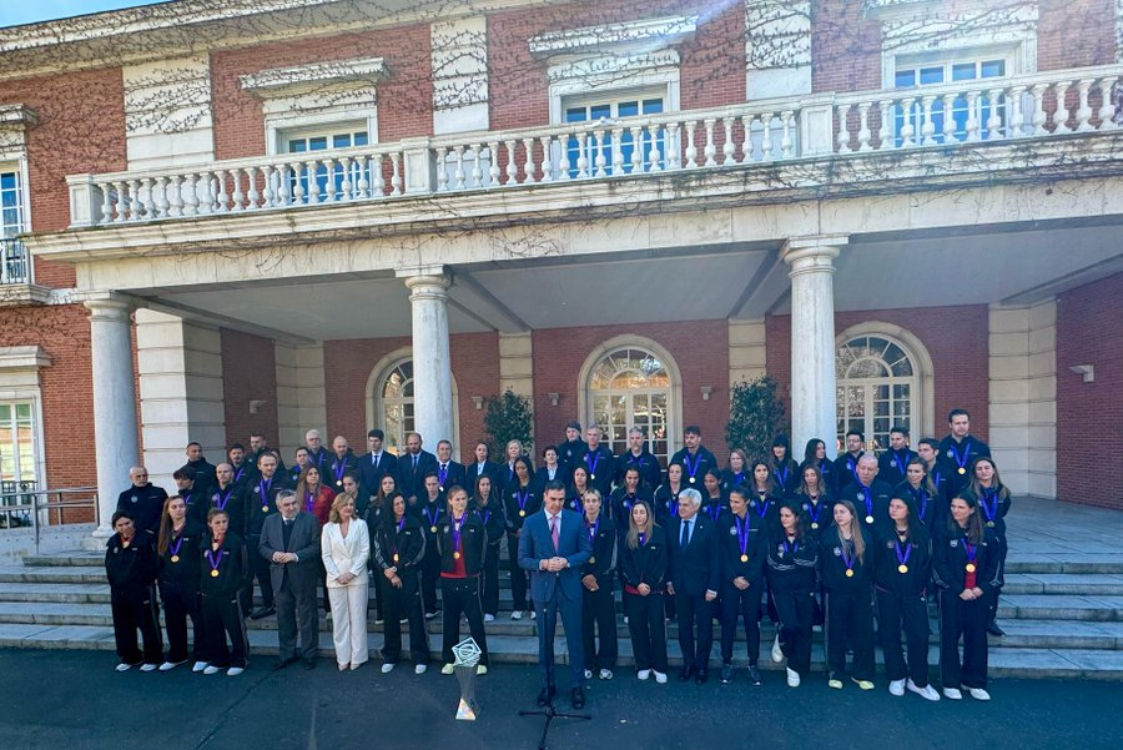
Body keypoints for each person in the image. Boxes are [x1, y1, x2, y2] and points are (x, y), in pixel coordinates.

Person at [518, 480, 592, 709]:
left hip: (569, 587)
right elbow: (522, 558)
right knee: (545, 639)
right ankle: (547, 684)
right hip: (543, 588)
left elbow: (586, 551)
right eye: (553, 499)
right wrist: (543, 564)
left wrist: (568, 561)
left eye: (561, 499)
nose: (557, 504)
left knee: (575, 638)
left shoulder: (575, 519)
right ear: (544, 496)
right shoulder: (531, 522)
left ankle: (577, 685)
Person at [933, 493, 1000, 701]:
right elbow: (938, 564)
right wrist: (958, 589)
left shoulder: (987, 535)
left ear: (972, 510)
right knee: (950, 637)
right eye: (953, 506)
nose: (955, 510)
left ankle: (974, 681)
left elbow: (995, 566)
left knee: (977, 638)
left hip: (979, 595)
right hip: (952, 594)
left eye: (961, 507)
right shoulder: (943, 531)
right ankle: (950, 682)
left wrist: (981, 588)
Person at [876, 495, 938, 700]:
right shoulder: (881, 531)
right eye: (891, 506)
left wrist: (924, 586)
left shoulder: (922, 533)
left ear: (909, 509)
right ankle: (897, 675)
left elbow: (928, 562)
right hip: (887, 591)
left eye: (898, 506)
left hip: (914, 593)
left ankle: (919, 680)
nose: (893, 510)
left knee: (920, 635)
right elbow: (874, 560)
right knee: (890, 634)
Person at [260, 489, 322, 670]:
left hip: (303, 575)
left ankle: (309, 655)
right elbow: (262, 546)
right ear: (279, 506)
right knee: (284, 617)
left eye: (294, 503)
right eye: (286, 504)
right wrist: (273, 555)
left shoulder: (310, 520)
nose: (291, 507)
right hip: (280, 576)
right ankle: (287, 654)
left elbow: (317, 546)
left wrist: (296, 556)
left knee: (307, 617)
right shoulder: (269, 521)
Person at [820, 499, 876, 690]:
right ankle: (836, 671)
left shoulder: (865, 537)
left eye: (842, 512)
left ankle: (862, 673)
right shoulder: (828, 537)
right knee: (835, 632)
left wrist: (865, 584)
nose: (838, 515)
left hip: (861, 593)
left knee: (863, 632)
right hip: (836, 593)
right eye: (836, 512)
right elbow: (822, 565)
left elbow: (871, 565)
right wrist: (830, 584)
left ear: (852, 514)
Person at [666, 487, 720, 685]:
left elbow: (715, 559)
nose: (681, 508)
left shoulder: (709, 526)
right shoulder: (672, 524)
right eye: (680, 504)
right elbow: (669, 556)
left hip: (703, 587)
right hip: (680, 585)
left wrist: (713, 587)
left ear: (696, 506)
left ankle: (702, 666)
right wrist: (669, 580)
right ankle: (688, 663)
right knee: (684, 627)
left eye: (686, 505)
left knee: (704, 627)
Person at [372, 492, 429, 674]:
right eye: (396, 504)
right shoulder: (382, 527)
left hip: (409, 574)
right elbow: (378, 551)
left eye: (402, 503)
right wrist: (388, 571)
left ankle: (420, 656)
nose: (400, 506)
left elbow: (418, 550)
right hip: (388, 577)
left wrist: (399, 568)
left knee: (415, 616)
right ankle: (391, 655)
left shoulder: (414, 524)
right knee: (390, 616)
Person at [438, 486, 490, 677]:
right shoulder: (443, 523)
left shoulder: (475, 522)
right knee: (450, 621)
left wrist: (476, 567)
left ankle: (482, 660)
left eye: (463, 499)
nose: (461, 502)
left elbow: (482, 547)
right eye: (457, 499)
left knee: (475, 621)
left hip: (469, 577)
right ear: (450, 501)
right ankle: (449, 659)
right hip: (449, 577)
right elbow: (440, 548)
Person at [718, 487, 767, 686]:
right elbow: (721, 552)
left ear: (747, 501)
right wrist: (733, 577)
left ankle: (753, 663)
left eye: (737, 501)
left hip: (751, 581)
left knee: (751, 622)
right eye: (731, 501)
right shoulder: (724, 522)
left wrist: (748, 577)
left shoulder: (759, 523)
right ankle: (726, 661)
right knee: (728, 621)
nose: (732, 505)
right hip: (730, 581)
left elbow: (761, 553)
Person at [766, 500, 818, 688]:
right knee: (790, 624)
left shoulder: (808, 536)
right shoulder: (774, 535)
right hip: (781, 588)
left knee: (804, 628)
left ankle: (794, 667)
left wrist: (789, 558)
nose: (783, 519)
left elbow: (811, 561)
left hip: (804, 588)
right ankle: (781, 639)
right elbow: (773, 562)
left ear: (797, 517)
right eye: (781, 515)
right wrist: (796, 561)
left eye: (787, 516)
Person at [105, 510, 162, 672]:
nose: (125, 527)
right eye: (120, 525)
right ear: (115, 527)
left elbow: (154, 564)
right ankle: (130, 657)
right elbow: (109, 566)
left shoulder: (146, 539)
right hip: (119, 592)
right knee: (123, 625)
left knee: (148, 624)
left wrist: (144, 581)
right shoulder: (113, 542)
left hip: (141, 590)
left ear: (133, 522)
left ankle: (153, 657)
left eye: (127, 523)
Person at [620, 500, 669, 683]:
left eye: (642, 512)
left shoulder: (659, 533)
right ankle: (643, 665)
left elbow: (662, 562)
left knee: (657, 628)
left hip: (654, 591)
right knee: (637, 627)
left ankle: (659, 666)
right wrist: (637, 583)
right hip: (634, 591)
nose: (639, 516)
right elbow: (624, 564)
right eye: (635, 513)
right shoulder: (627, 536)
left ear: (648, 514)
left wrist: (649, 583)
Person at [156, 496, 206, 672]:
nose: (179, 510)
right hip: (170, 584)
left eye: (181, 506)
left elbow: (202, 558)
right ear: (168, 510)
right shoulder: (163, 531)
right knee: (173, 621)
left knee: (199, 621)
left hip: (191, 583)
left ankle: (202, 655)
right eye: (174, 507)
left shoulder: (196, 528)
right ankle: (178, 655)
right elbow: (159, 559)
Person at [321, 492, 370, 671]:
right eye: (345, 505)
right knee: (340, 619)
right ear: (337, 507)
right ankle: (342, 656)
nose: (348, 508)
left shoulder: (361, 524)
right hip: (335, 579)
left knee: (357, 618)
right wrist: (337, 575)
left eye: (351, 504)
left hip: (357, 577)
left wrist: (352, 572)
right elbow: (326, 554)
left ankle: (358, 656)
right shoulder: (328, 528)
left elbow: (365, 551)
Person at [964, 457, 1012, 636]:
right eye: (979, 469)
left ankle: (990, 619)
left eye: (987, 468)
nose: (983, 471)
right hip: (975, 540)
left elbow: (1003, 512)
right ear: (974, 472)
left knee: (994, 579)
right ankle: (972, 618)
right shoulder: (968, 492)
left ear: (993, 470)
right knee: (974, 579)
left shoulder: (1003, 492)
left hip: (996, 541)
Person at [199, 508, 249, 676]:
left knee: (235, 628)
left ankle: (240, 660)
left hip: (229, 593)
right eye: (217, 522)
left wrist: (236, 588)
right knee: (213, 628)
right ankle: (218, 660)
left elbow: (244, 569)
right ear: (209, 524)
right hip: (209, 592)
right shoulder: (204, 543)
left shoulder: (236, 542)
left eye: (224, 522)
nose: (222, 525)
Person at [579, 489, 618, 681]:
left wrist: (596, 577)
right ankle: (587, 662)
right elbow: (573, 551)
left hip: (603, 581)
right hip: (582, 582)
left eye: (594, 500)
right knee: (584, 624)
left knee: (606, 623)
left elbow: (611, 556)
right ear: (583, 503)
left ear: (600, 503)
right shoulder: (576, 524)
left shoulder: (609, 525)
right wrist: (584, 575)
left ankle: (606, 663)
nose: (591, 504)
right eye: (588, 500)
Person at [246, 452, 288, 620]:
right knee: (262, 572)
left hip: (277, 533)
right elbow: (246, 508)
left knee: (281, 570)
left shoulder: (284, 482)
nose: (270, 467)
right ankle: (268, 604)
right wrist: (247, 530)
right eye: (266, 465)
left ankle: (283, 603)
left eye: (272, 464)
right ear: (259, 466)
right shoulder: (252, 484)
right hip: (256, 533)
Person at [504, 456, 540, 620]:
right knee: (516, 571)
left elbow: (540, 510)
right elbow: (506, 513)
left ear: (529, 468)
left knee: (534, 570)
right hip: (515, 535)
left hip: (533, 535)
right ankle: (518, 606)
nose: (521, 471)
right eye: (517, 468)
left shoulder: (538, 486)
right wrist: (514, 528)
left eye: (523, 468)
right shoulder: (509, 488)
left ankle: (534, 605)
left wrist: (528, 530)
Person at [471, 474, 505, 622]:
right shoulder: (471, 505)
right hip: (474, 548)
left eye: (487, 485)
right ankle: (475, 608)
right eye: (482, 485)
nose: (485, 488)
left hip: (491, 547)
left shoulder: (496, 505)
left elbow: (500, 526)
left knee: (491, 578)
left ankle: (490, 609)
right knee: (474, 579)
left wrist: (488, 538)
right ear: (477, 487)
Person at [937, 409, 992, 498]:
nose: (961, 426)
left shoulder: (980, 447)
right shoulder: (941, 447)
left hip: (974, 493)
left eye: (964, 423)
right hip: (948, 494)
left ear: (969, 424)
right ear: (950, 425)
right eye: (957, 423)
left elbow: (987, 472)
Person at [417, 473, 446, 619]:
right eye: (429, 484)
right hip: (426, 546)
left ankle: (449, 606)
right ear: (425, 485)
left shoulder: (445, 501)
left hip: (443, 545)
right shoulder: (420, 502)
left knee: (446, 576)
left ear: (439, 484)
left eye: (434, 484)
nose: (432, 487)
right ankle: (430, 607)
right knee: (427, 578)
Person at [116, 467, 168, 538]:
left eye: (144, 475)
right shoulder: (125, 496)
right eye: (138, 476)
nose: (142, 478)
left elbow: (166, 511)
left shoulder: (159, 492)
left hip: (157, 534)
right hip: (135, 535)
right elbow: (121, 516)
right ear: (131, 477)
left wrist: (154, 529)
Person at [847, 454, 894, 532]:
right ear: (857, 469)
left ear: (877, 471)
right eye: (862, 468)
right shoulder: (848, 490)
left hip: (883, 532)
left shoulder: (886, 489)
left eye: (870, 469)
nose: (866, 472)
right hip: (858, 532)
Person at [895, 457, 941, 528]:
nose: (912, 474)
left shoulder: (930, 492)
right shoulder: (899, 490)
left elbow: (937, 516)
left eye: (917, 471)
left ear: (924, 473)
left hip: (927, 531)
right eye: (909, 471)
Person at [396, 432, 438, 506]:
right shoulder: (401, 460)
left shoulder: (430, 458)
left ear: (421, 442)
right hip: (405, 500)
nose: (413, 446)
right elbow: (399, 480)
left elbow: (430, 479)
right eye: (410, 444)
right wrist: (408, 496)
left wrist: (417, 496)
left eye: (415, 443)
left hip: (424, 499)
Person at [210, 463, 249, 543]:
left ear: (232, 473)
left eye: (225, 472)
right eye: (219, 472)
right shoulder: (212, 491)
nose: (222, 474)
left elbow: (246, 512)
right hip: (215, 533)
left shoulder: (241, 490)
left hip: (236, 532)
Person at [358, 429, 397, 503]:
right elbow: (360, 480)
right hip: (367, 499)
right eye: (371, 441)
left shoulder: (391, 459)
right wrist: (369, 496)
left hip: (385, 498)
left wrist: (381, 496)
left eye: (376, 441)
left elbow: (393, 478)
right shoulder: (362, 460)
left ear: (381, 441)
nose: (373, 444)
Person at [793, 464, 832, 534]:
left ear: (818, 476)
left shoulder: (828, 495)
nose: (810, 478)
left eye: (813, 475)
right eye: (807, 475)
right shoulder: (797, 496)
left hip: (825, 533)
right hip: (804, 534)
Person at [579, 425, 615, 499]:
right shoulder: (581, 453)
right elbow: (578, 472)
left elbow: (610, 474)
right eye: (589, 435)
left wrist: (599, 489)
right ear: (586, 437)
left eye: (595, 435)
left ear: (600, 437)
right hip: (585, 492)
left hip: (603, 493)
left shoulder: (607, 453)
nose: (592, 437)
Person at [747, 460, 781, 529]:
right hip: (753, 529)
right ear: (753, 473)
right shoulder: (748, 490)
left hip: (772, 529)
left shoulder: (776, 490)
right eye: (758, 471)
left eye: (764, 470)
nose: (762, 473)